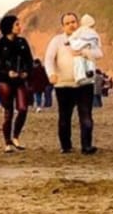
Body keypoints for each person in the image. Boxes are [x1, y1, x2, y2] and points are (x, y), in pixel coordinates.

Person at [44, 12, 103, 154]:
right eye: (68, 23)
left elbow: (99, 53)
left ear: (78, 23)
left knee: (86, 116)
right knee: (64, 117)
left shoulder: (87, 37)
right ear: (63, 26)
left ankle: (86, 146)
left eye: (73, 22)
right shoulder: (57, 41)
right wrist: (51, 73)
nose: (71, 25)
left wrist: (84, 52)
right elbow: (49, 59)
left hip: (84, 83)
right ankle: (66, 146)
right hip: (64, 85)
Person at [0, 13, 34, 153]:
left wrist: (26, 71)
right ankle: (7, 142)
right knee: (8, 113)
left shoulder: (22, 42)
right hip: (5, 81)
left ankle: (16, 136)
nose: (20, 27)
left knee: (23, 109)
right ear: (9, 27)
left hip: (20, 80)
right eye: (17, 24)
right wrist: (6, 73)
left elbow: (29, 61)